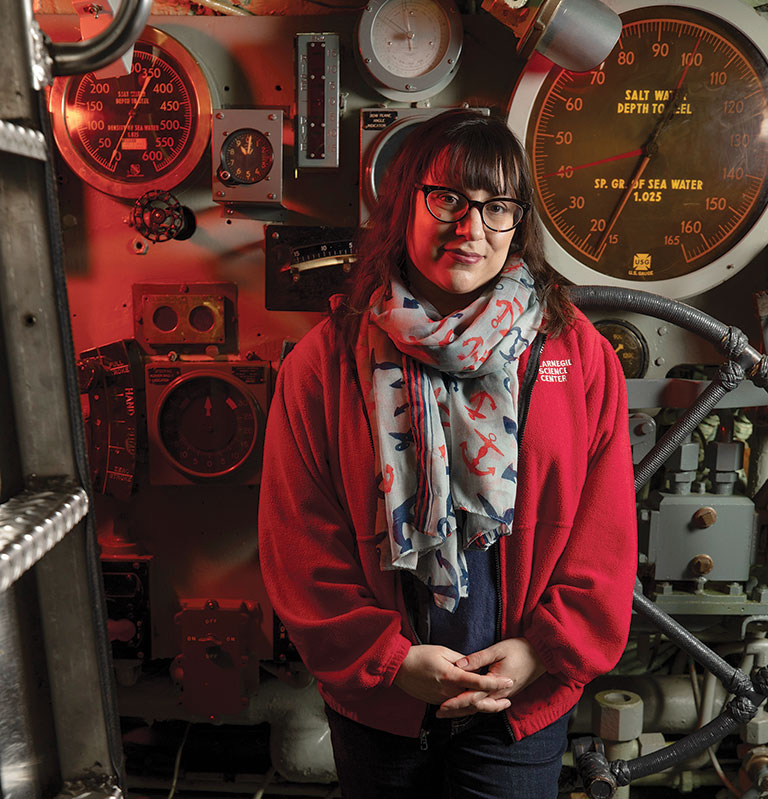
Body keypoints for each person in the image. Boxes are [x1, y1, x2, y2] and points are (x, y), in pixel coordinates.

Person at [257, 108, 637, 799]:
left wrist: (539, 651)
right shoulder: (324, 362)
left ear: (519, 223)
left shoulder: (577, 354)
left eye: (497, 207)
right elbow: (298, 540)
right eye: (448, 200)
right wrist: (390, 660)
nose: (471, 228)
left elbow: (603, 535)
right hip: (381, 701)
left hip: (519, 700)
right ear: (406, 204)